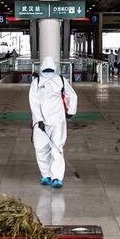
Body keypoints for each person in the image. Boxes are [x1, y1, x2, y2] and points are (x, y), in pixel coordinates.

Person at [29, 56, 77, 188]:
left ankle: (57, 177)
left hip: (57, 120)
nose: (48, 72)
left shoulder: (61, 80)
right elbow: (34, 103)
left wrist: (71, 111)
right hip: (40, 123)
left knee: (57, 148)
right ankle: (46, 175)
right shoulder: (36, 82)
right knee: (41, 148)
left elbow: (71, 95)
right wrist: (39, 120)